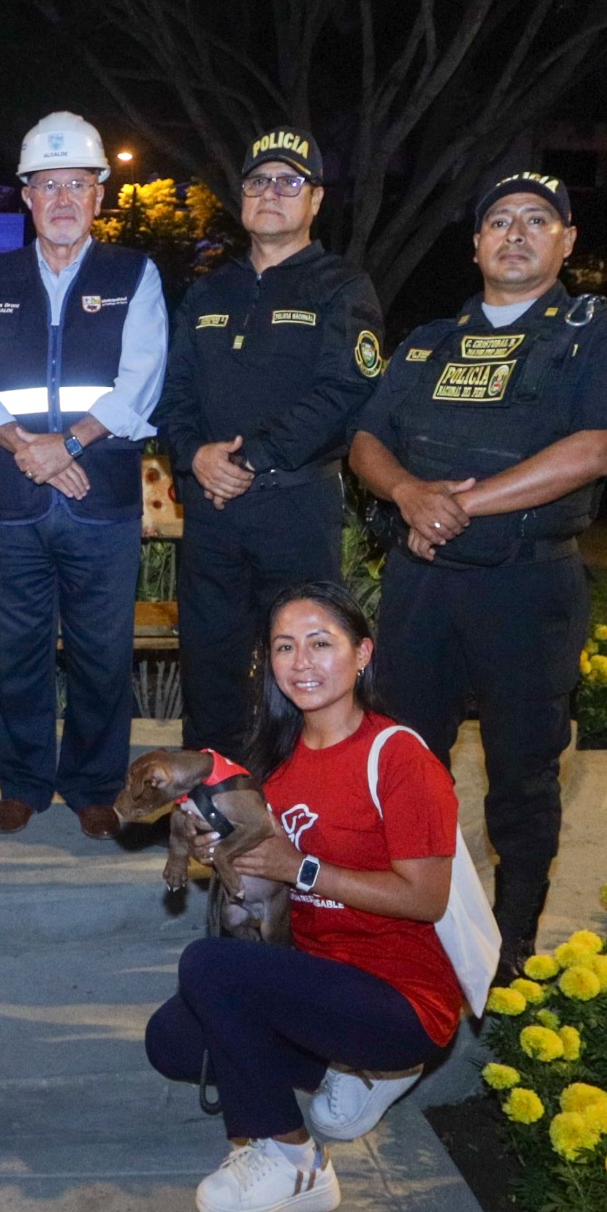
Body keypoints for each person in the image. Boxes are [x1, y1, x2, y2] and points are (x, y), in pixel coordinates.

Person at [347, 170, 607, 972]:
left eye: (537, 220)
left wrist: (459, 507)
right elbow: (366, 442)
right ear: (476, 243)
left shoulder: (592, 332)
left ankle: (511, 940)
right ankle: (411, 917)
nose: (515, 233)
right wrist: (409, 493)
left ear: (566, 240)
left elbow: (597, 448)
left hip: (526, 588)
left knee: (521, 772)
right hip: (423, 586)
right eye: (499, 222)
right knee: (406, 761)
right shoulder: (428, 343)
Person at [144, 581, 463, 1212]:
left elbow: (427, 898)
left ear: (362, 654)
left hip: (402, 1000)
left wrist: (303, 867)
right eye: (285, 647)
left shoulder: (398, 756)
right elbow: (276, 884)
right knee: (173, 1041)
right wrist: (224, 855)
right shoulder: (278, 766)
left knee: (208, 968)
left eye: (322, 643)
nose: (302, 661)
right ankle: (351, 1072)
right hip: (321, 979)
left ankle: (294, 1160)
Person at [0, 112, 169, 839]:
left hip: (100, 500)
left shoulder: (134, 275)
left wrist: (66, 445)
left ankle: (95, 786)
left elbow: (140, 382)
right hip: (14, 500)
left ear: (100, 194)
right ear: (27, 197)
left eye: (78, 183)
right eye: (49, 185)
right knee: (16, 653)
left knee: (104, 655)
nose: (64, 198)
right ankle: (23, 783)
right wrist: (26, 447)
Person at [154, 127, 382, 757]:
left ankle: (298, 806)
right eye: (258, 182)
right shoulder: (208, 290)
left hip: (295, 509)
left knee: (304, 671)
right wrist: (195, 454)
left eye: (289, 182)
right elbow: (173, 394)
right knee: (210, 663)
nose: (271, 193)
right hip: (213, 511)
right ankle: (211, 807)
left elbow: (345, 391)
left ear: (315, 201)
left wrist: (251, 456)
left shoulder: (341, 287)